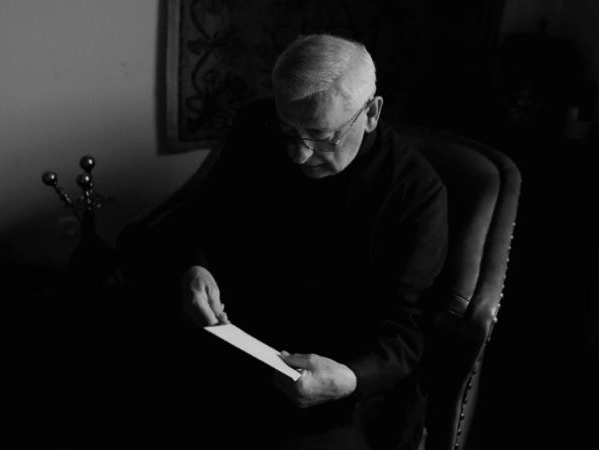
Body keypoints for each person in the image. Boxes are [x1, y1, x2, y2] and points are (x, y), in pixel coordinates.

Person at [174, 34, 448, 450]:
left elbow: (408, 328)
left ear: (371, 113)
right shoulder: (256, 125)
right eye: (289, 131)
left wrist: (351, 377)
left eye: (321, 136)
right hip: (242, 339)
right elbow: (207, 215)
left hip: (341, 371)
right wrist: (197, 266)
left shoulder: (417, 194)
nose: (299, 155)